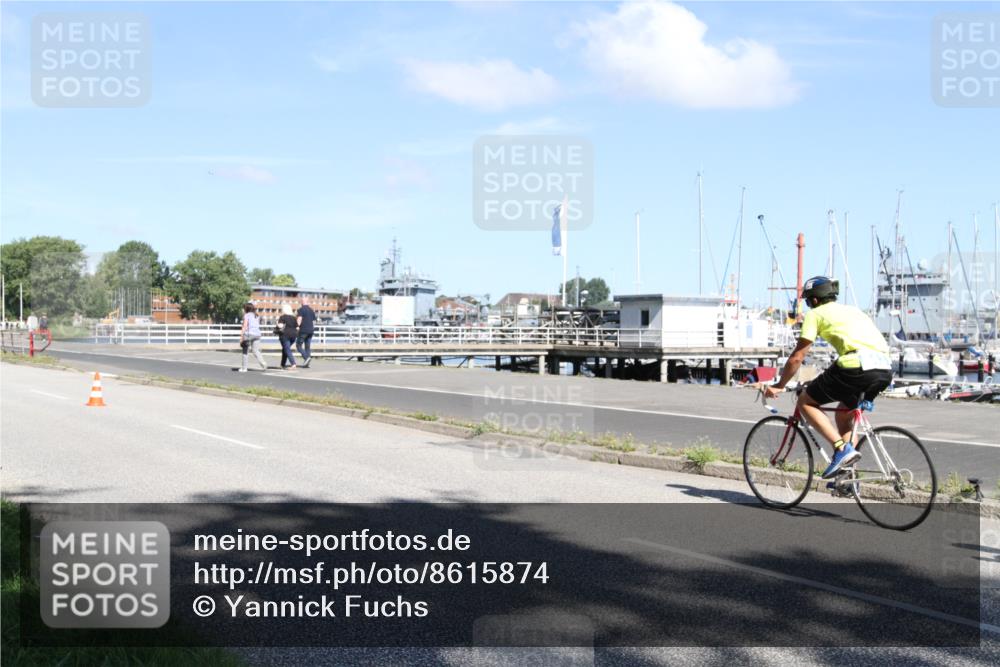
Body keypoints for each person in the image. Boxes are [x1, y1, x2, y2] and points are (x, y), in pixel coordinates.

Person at [764, 276, 893, 480]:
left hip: (855, 366)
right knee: (844, 414)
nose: (808, 305)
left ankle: (841, 449)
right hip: (884, 368)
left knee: (805, 401)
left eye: (807, 300)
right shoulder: (854, 311)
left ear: (814, 300)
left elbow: (798, 356)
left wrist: (780, 384)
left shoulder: (815, 314)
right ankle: (848, 479)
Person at [240, 302, 268, 372]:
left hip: (249, 334)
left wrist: (241, 336)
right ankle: (263, 363)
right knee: (256, 350)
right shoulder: (257, 315)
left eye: (244, 308)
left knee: (245, 351)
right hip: (257, 334)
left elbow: (245, 326)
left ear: (246, 309)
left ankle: (244, 368)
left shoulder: (246, 315)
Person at [296, 296, 317, 368]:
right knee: (307, 347)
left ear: (302, 302)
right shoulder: (311, 310)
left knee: (298, 346)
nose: (300, 302)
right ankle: (306, 363)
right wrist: (312, 328)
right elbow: (314, 321)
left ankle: (306, 358)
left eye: (301, 301)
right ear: (308, 302)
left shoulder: (301, 310)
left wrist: (297, 326)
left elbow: (299, 319)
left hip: (303, 330)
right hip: (310, 331)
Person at [277, 303, 298, 370]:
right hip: (293, 336)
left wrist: (277, 323)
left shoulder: (282, 317)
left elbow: (280, 326)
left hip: (285, 335)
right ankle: (282, 364)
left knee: (287, 349)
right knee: (285, 349)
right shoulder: (294, 318)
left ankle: (293, 364)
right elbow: (297, 327)